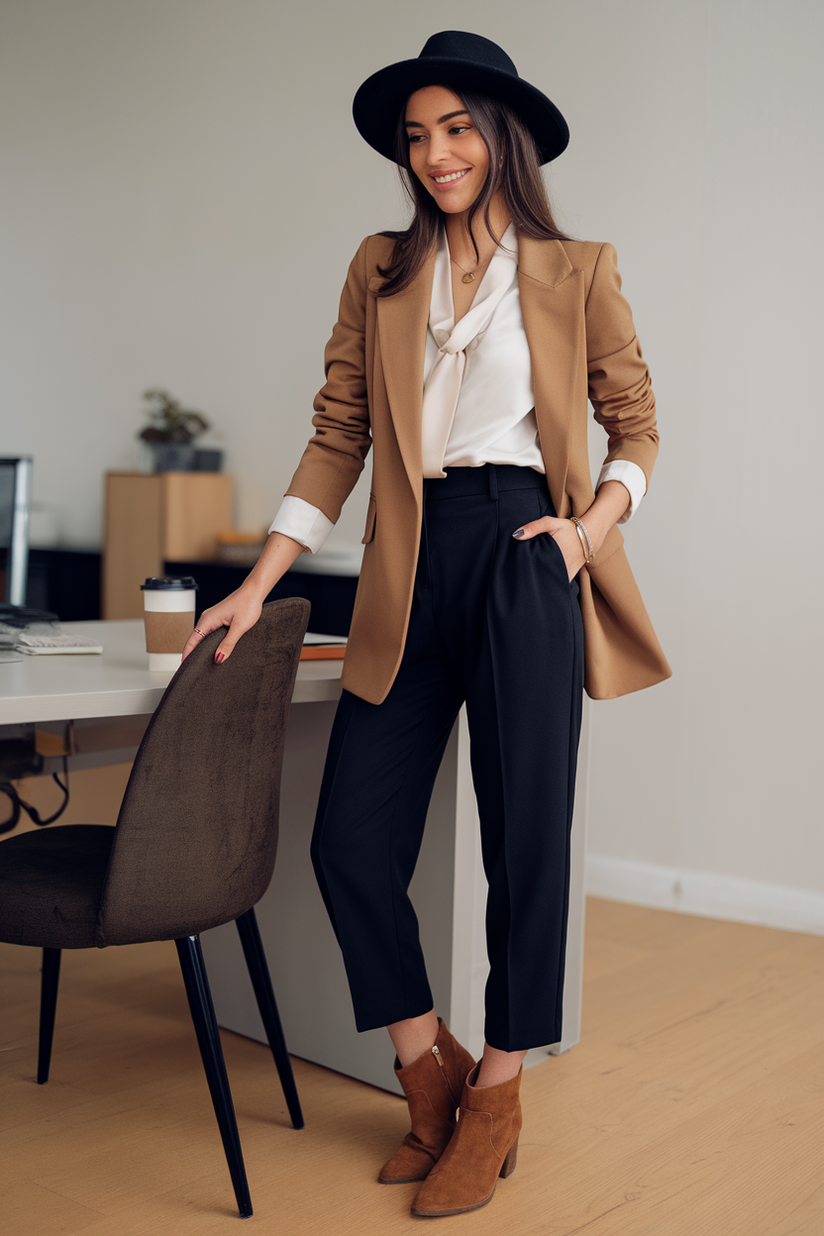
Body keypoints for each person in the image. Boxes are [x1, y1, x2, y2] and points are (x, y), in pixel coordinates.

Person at [183, 30, 670, 1218]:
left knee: (525, 844)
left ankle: (498, 1092)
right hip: (408, 563)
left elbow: (636, 426)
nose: (434, 152)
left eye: (454, 128)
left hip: (522, 555)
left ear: (499, 135)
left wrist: (585, 531)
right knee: (348, 841)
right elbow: (339, 428)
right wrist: (260, 580)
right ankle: (424, 1067)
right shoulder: (380, 267)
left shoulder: (575, 267)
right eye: (416, 136)